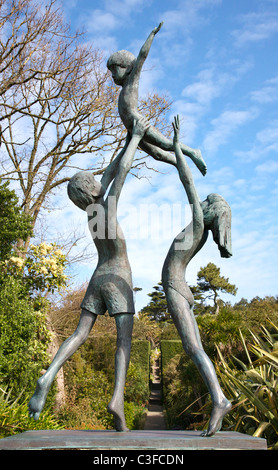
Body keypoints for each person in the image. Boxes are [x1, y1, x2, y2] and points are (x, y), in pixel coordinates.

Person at [28, 117, 150, 432]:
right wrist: (135, 141)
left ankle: (48, 374)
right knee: (125, 339)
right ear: (91, 188)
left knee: (80, 333)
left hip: (97, 277)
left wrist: (129, 137)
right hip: (118, 276)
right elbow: (119, 174)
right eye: (94, 179)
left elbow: (110, 171)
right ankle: (118, 398)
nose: (100, 179)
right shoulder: (107, 206)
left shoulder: (91, 214)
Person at [162, 116, 232, 437]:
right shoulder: (199, 232)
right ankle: (218, 397)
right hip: (182, 288)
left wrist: (178, 145)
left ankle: (219, 399)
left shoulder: (198, 223)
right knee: (196, 348)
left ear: (208, 209)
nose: (200, 202)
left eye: (205, 202)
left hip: (176, 286)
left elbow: (187, 180)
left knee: (193, 349)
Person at [107, 23, 207, 176]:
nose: (112, 74)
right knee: (158, 154)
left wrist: (152, 35)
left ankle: (193, 152)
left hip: (139, 124)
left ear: (127, 68)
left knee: (166, 144)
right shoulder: (122, 91)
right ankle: (179, 164)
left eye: (115, 69)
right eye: (111, 71)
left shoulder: (131, 83)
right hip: (132, 129)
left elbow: (142, 56)